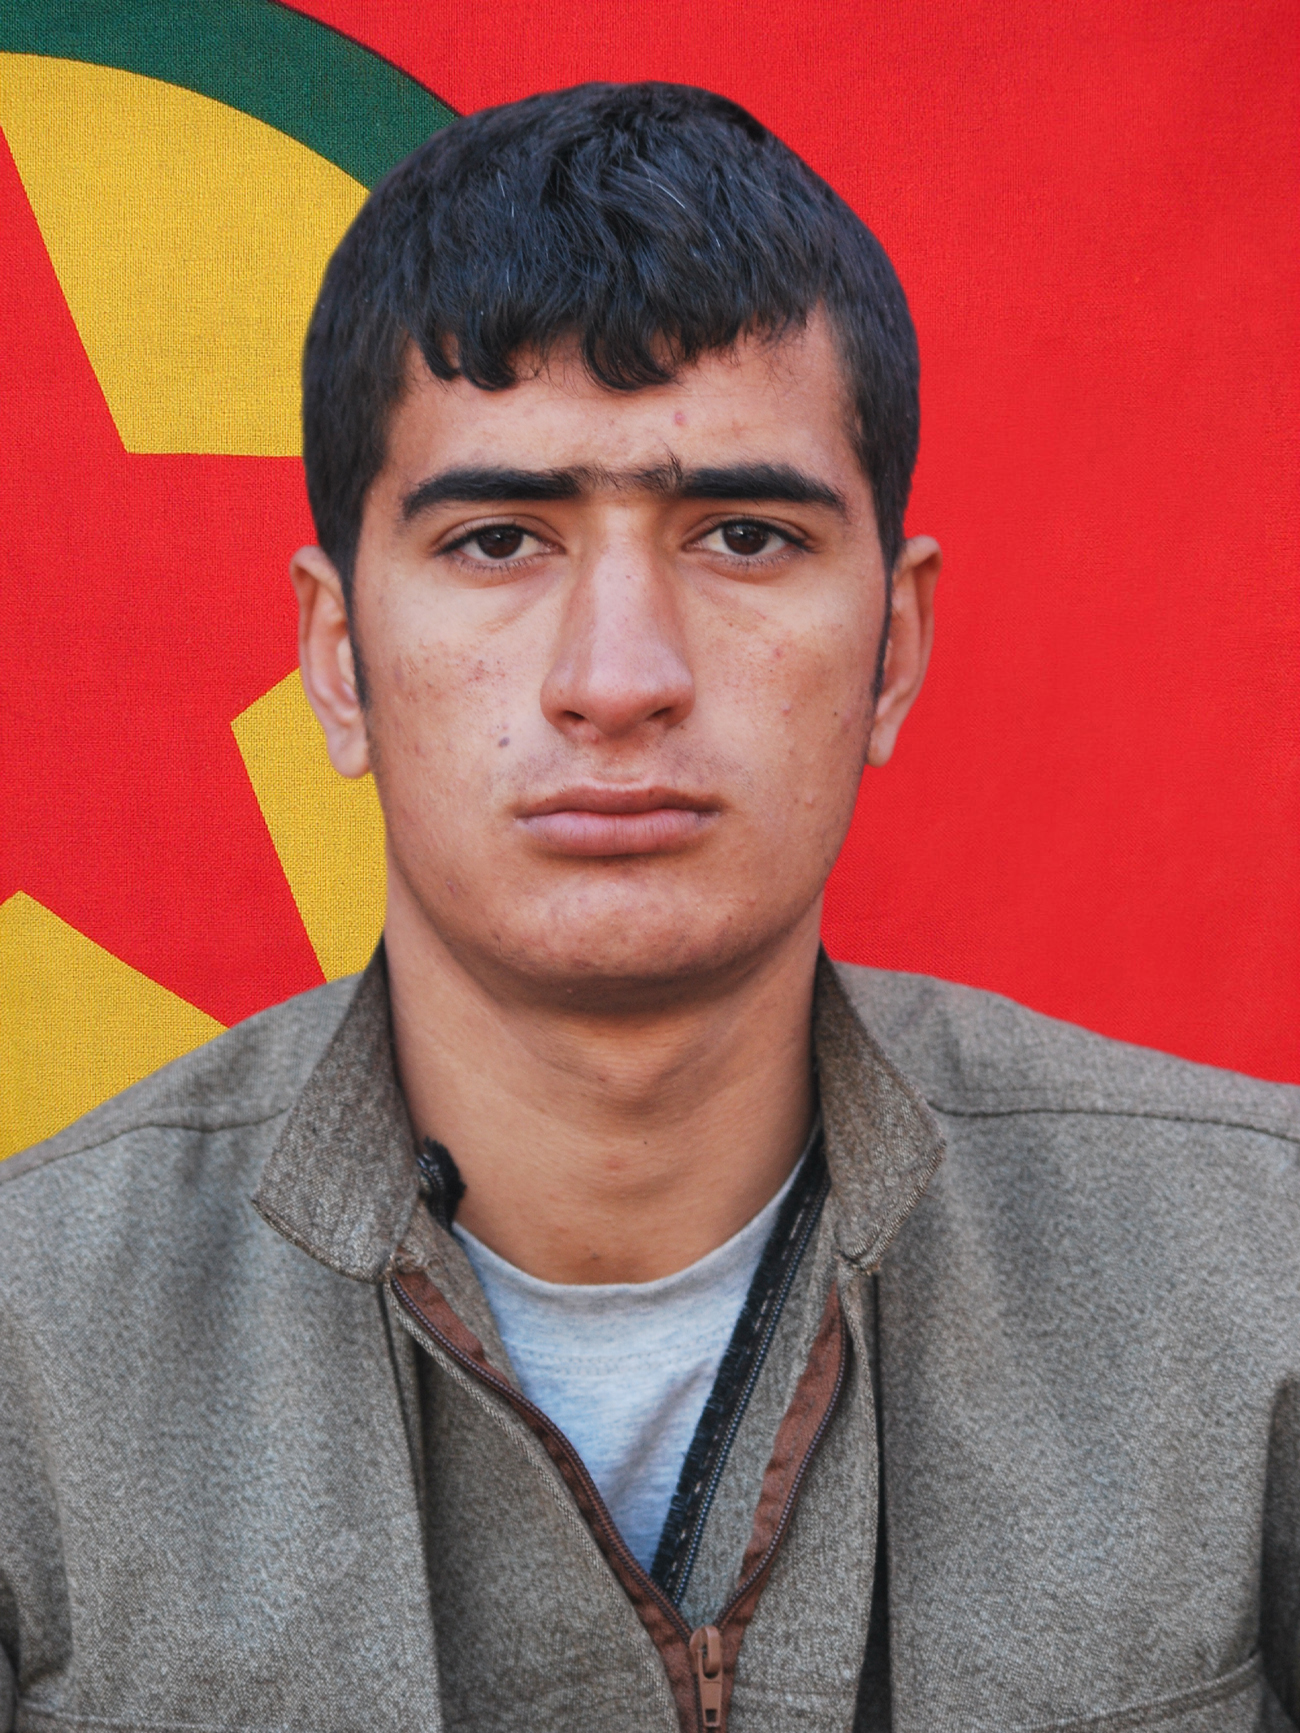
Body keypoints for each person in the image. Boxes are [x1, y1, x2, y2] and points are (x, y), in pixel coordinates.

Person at [0, 81, 1295, 1733]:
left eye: (743, 534)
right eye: (497, 540)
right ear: (338, 659)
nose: (618, 679)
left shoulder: (1258, 1275)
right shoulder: (30, 1355)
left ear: (894, 647)